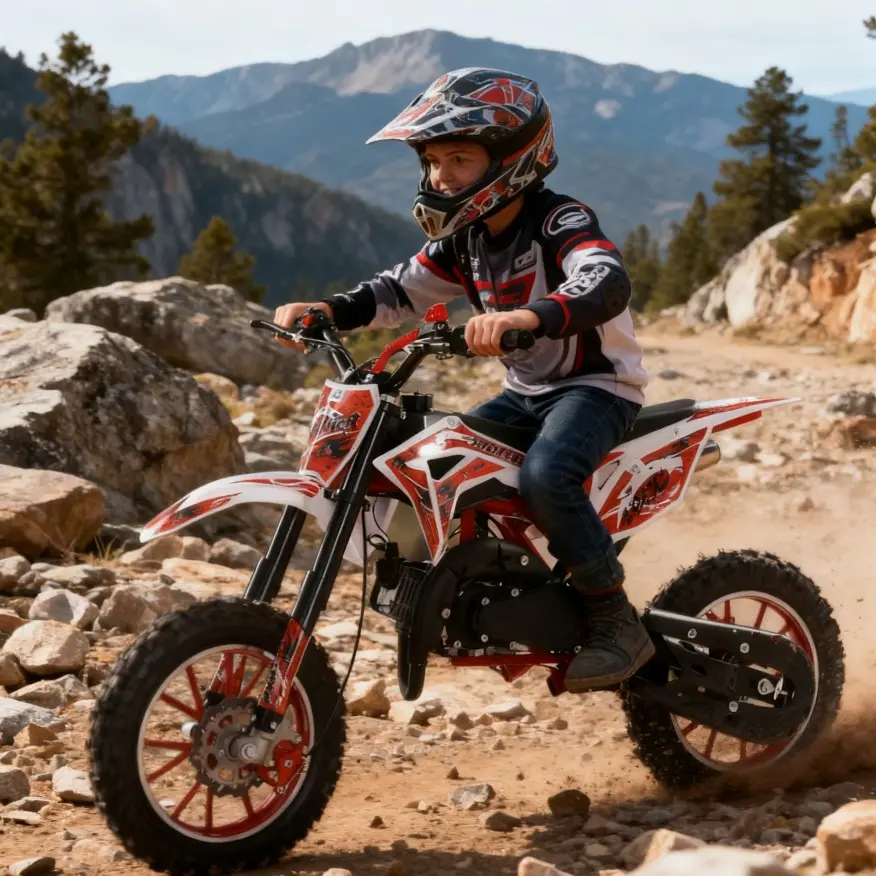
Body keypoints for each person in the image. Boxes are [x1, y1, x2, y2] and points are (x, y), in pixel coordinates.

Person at [274, 67, 653, 691]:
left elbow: (603, 279)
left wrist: (531, 316)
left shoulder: (558, 221)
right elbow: (399, 290)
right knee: (431, 459)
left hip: (594, 389)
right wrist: (332, 310)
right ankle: (494, 591)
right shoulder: (466, 238)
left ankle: (615, 618)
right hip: (526, 394)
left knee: (545, 476)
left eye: (458, 158)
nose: (440, 176)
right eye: (432, 161)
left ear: (511, 158)